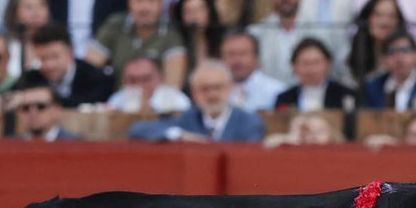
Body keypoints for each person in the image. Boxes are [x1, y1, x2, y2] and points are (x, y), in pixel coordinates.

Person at [129, 59, 267, 141]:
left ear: (229, 88)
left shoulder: (249, 122)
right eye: (205, 89)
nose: (212, 94)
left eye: (217, 87)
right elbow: (137, 129)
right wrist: (178, 134)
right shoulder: (188, 118)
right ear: (194, 93)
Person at [87, 0, 189, 84]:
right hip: (117, 97)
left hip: (158, 98)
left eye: (151, 0)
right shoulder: (115, 25)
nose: (144, 8)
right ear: (129, 2)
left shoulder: (171, 33)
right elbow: (88, 68)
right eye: (139, 0)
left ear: (161, 3)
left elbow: (173, 85)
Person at [32, 23, 112, 107]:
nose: (49, 65)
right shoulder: (32, 79)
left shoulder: (97, 79)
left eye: (55, 57)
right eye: (43, 58)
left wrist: (51, 99)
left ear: (71, 52)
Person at [274, 37, 361, 110]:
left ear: (329, 64)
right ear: (294, 66)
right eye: (305, 63)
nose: (311, 70)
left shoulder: (346, 95)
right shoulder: (285, 99)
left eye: (316, 62)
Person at [362, 30, 416, 109]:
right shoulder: (374, 87)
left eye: (405, 50)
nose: (399, 58)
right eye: (391, 52)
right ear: (383, 58)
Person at [221, 30, 287, 112]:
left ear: (256, 57)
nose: (236, 60)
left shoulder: (277, 91)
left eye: (243, 53)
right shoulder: (214, 91)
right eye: (231, 54)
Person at [105, 54, 191, 113]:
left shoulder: (176, 98)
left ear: (159, 79)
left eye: (145, 79)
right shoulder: (117, 99)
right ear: (124, 81)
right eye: (132, 80)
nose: (139, 84)